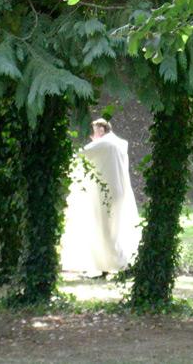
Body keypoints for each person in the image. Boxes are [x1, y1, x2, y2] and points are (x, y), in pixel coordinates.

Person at [61, 118, 141, 277]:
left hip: (105, 193)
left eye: (94, 130)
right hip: (117, 191)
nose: (92, 134)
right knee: (113, 228)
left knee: (103, 228)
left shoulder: (104, 144)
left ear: (101, 130)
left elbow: (80, 155)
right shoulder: (119, 144)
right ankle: (110, 264)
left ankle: (110, 264)